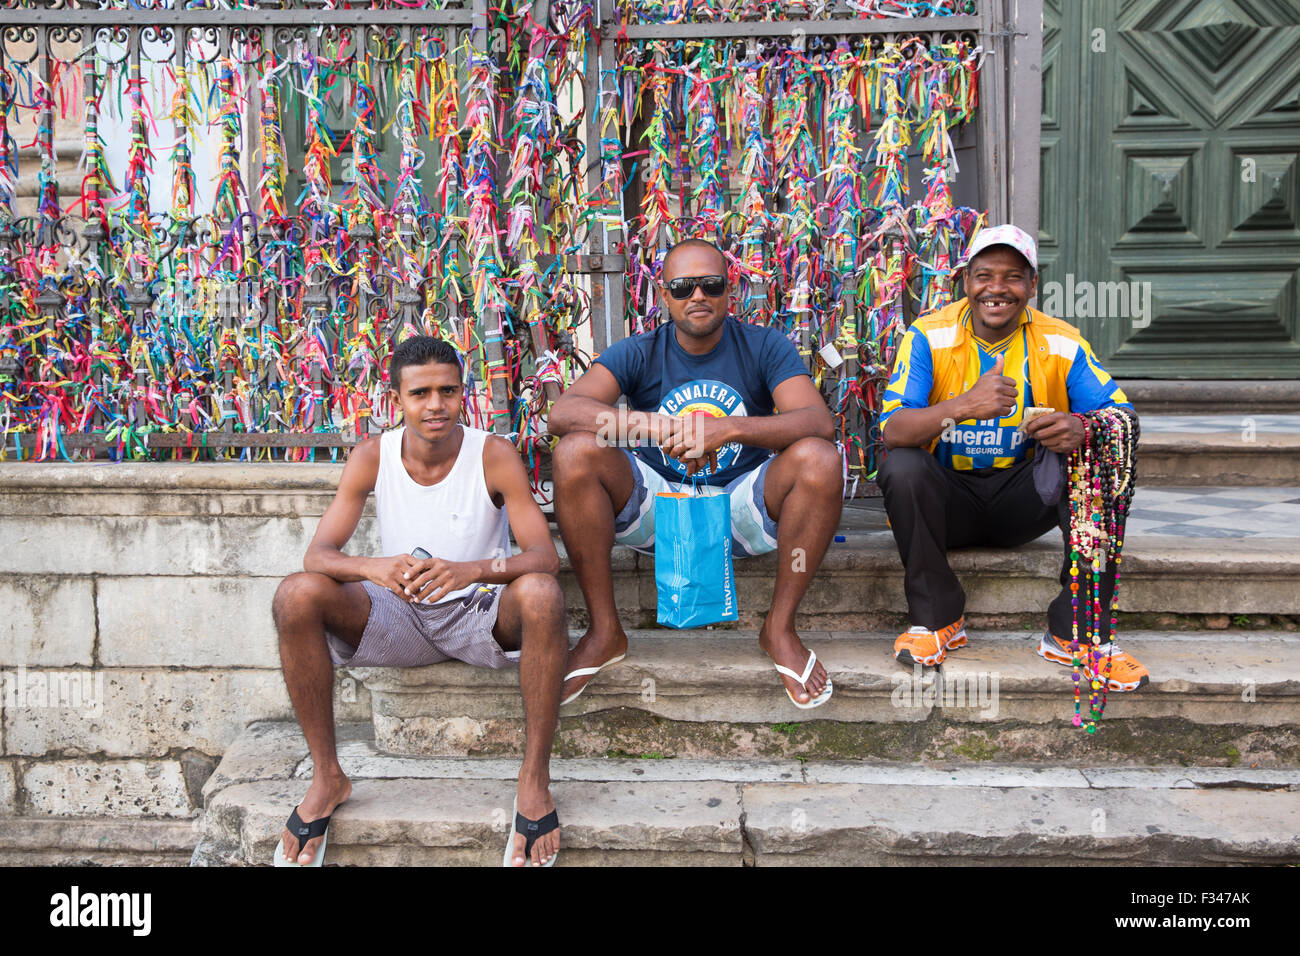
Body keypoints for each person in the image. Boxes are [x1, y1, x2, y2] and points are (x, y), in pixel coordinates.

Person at [271, 335, 568, 867]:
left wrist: (471, 569)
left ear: (463, 394)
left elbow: (544, 557)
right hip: (399, 615)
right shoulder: (372, 455)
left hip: (479, 614)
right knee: (296, 595)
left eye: (448, 391)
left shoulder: (492, 454)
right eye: (421, 393)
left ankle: (533, 780)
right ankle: (327, 776)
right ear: (396, 400)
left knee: (543, 595)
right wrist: (373, 567)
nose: (436, 405)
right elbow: (319, 553)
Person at [548, 238, 844, 708]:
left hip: (742, 508)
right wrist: (650, 423)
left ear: (731, 292)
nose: (697, 297)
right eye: (683, 287)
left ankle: (779, 628)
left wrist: (724, 429)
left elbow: (817, 423)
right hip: (660, 512)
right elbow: (563, 413)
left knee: (821, 458)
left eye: (710, 285)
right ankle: (605, 632)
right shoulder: (640, 351)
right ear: (663, 296)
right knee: (574, 452)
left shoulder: (764, 345)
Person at [878, 224, 1148, 690]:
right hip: (949, 503)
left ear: (1031, 286)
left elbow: (1121, 416)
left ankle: (1078, 632)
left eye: (1012, 277)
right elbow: (893, 430)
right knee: (902, 466)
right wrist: (966, 405)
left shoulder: (1060, 341)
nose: (997, 289)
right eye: (984, 275)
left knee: (1097, 452)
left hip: (1024, 500)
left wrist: (1080, 427)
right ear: (966, 282)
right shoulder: (929, 336)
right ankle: (937, 620)